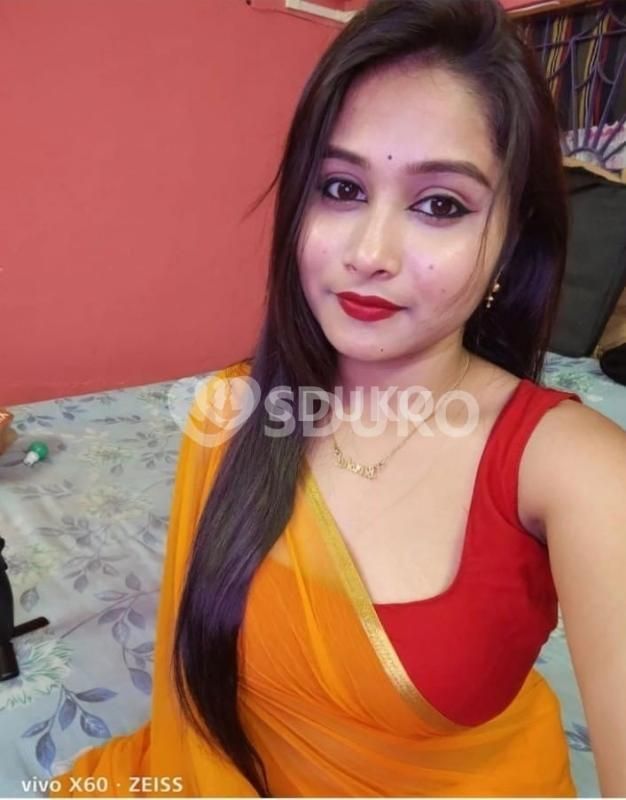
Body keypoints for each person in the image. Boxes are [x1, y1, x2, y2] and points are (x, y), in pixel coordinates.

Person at [52, 0, 626, 796]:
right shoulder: (231, 411)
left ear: (510, 239)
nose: (369, 252)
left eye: (440, 204)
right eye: (341, 187)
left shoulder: (575, 469)